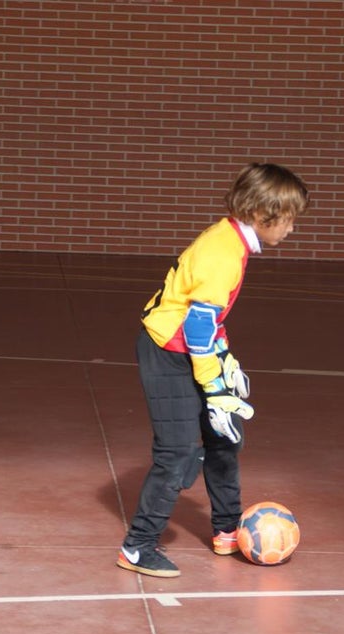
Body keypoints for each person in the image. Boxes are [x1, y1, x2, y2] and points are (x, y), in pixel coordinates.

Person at [117, 163, 310, 578]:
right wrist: (214, 386)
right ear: (265, 215)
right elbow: (196, 326)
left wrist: (227, 360)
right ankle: (137, 546)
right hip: (167, 350)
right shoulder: (223, 253)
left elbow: (209, 322)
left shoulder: (230, 239)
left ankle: (227, 529)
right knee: (179, 452)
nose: (292, 229)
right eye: (290, 220)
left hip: (191, 347)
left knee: (224, 437)